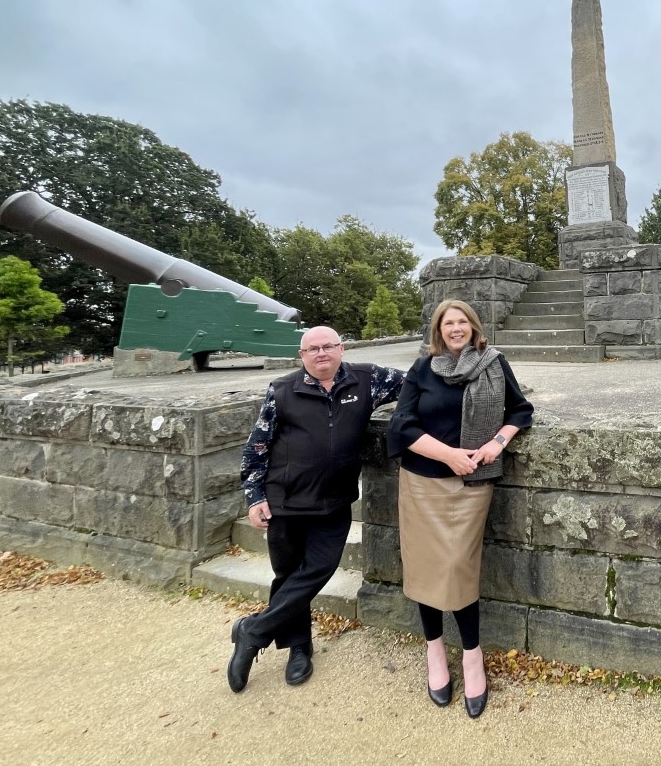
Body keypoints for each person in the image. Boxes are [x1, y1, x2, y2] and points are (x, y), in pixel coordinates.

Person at [228, 325, 404, 692]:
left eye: (328, 346)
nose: (321, 353)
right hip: (286, 501)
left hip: (334, 500)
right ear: (302, 355)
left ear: (342, 348)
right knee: (288, 574)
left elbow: (420, 382)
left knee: (319, 569)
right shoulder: (282, 391)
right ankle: (298, 649)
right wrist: (254, 497)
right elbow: (256, 447)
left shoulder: (368, 380)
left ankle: (253, 631)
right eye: (313, 349)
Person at [391, 299, 533, 718]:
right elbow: (402, 426)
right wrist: (448, 455)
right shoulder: (423, 368)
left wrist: (496, 443)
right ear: (438, 329)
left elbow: (520, 410)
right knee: (424, 567)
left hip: (472, 482)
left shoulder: (493, 363)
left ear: (473, 326)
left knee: (459, 566)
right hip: (422, 482)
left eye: (462, 321)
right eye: (448, 322)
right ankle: (435, 653)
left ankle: (472, 656)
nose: (456, 328)